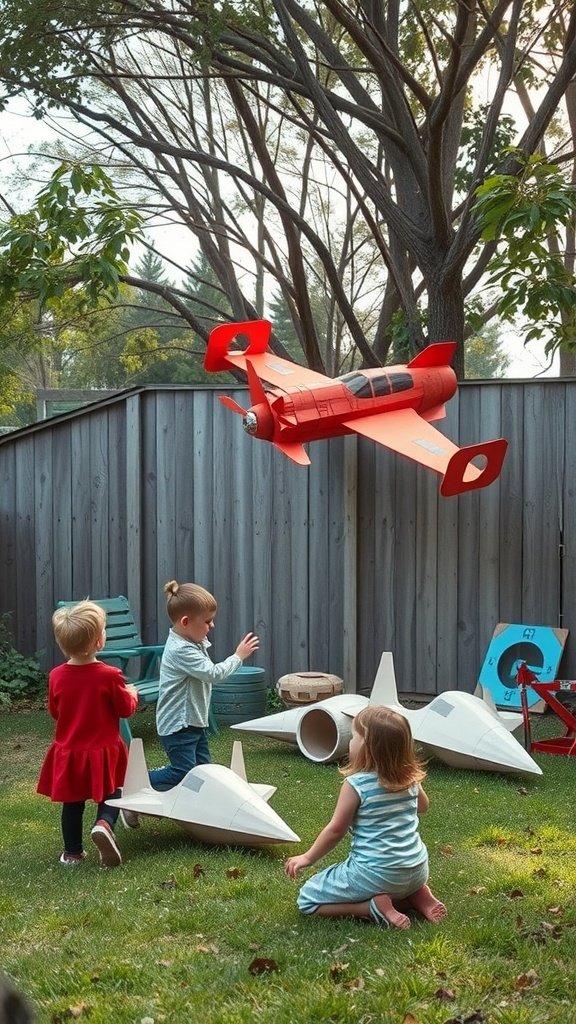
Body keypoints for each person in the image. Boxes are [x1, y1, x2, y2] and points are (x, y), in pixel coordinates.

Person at [284, 705, 447, 928]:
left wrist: (307, 858)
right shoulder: (410, 780)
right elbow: (423, 806)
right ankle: (417, 895)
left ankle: (372, 908)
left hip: (376, 874)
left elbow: (335, 830)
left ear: (368, 748)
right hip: (417, 868)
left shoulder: (356, 785)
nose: (350, 742)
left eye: (354, 737)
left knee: (307, 900)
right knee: (398, 883)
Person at [37, 601, 139, 868]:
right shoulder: (110, 675)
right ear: (98, 642)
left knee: (72, 803)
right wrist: (132, 695)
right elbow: (124, 709)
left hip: (69, 750)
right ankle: (104, 823)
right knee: (113, 790)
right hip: (104, 748)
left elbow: (55, 711)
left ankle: (72, 853)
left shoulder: (57, 676)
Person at [136, 580, 259, 795]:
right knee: (182, 772)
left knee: (202, 771)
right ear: (185, 622)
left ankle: (196, 809)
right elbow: (213, 674)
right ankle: (136, 782)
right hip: (178, 724)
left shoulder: (192, 641)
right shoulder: (181, 650)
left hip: (193, 721)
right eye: (208, 621)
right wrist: (238, 656)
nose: (212, 626)